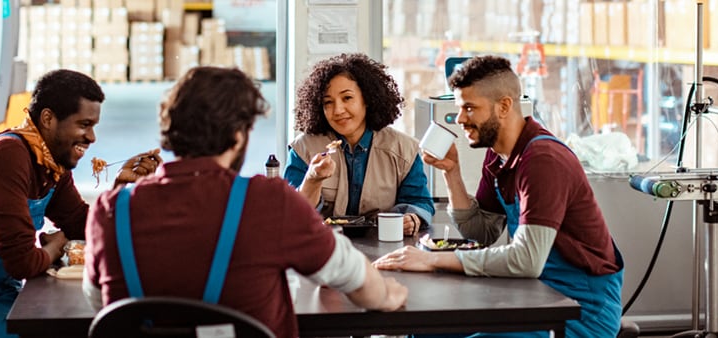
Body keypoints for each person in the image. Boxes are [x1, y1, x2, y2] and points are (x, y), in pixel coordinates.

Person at [84, 66, 408, 337]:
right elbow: (351, 274)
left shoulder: (110, 210)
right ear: (239, 135)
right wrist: (388, 295)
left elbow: (103, 306)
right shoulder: (267, 203)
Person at [372, 56, 624, 338]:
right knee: (424, 331)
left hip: (580, 307)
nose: (459, 119)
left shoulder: (543, 160)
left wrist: (432, 260)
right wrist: (452, 173)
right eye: (459, 108)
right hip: (534, 293)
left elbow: (526, 260)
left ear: (504, 106)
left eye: (469, 108)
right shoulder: (498, 154)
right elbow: (483, 232)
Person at [0, 69, 160, 337]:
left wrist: (120, 188)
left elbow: (83, 226)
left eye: (93, 127)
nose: (92, 138)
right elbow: (23, 263)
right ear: (48, 119)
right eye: (84, 125)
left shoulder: (49, 163)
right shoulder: (8, 156)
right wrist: (55, 247)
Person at [286, 53, 434, 236]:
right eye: (328, 102)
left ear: (367, 99)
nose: (338, 110)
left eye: (347, 98)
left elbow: (420, 202)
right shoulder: (303, 149)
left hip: (386, 247)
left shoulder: (404, 149)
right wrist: (312, 180)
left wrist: (412, 218)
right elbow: (291, 213)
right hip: (322, 248)